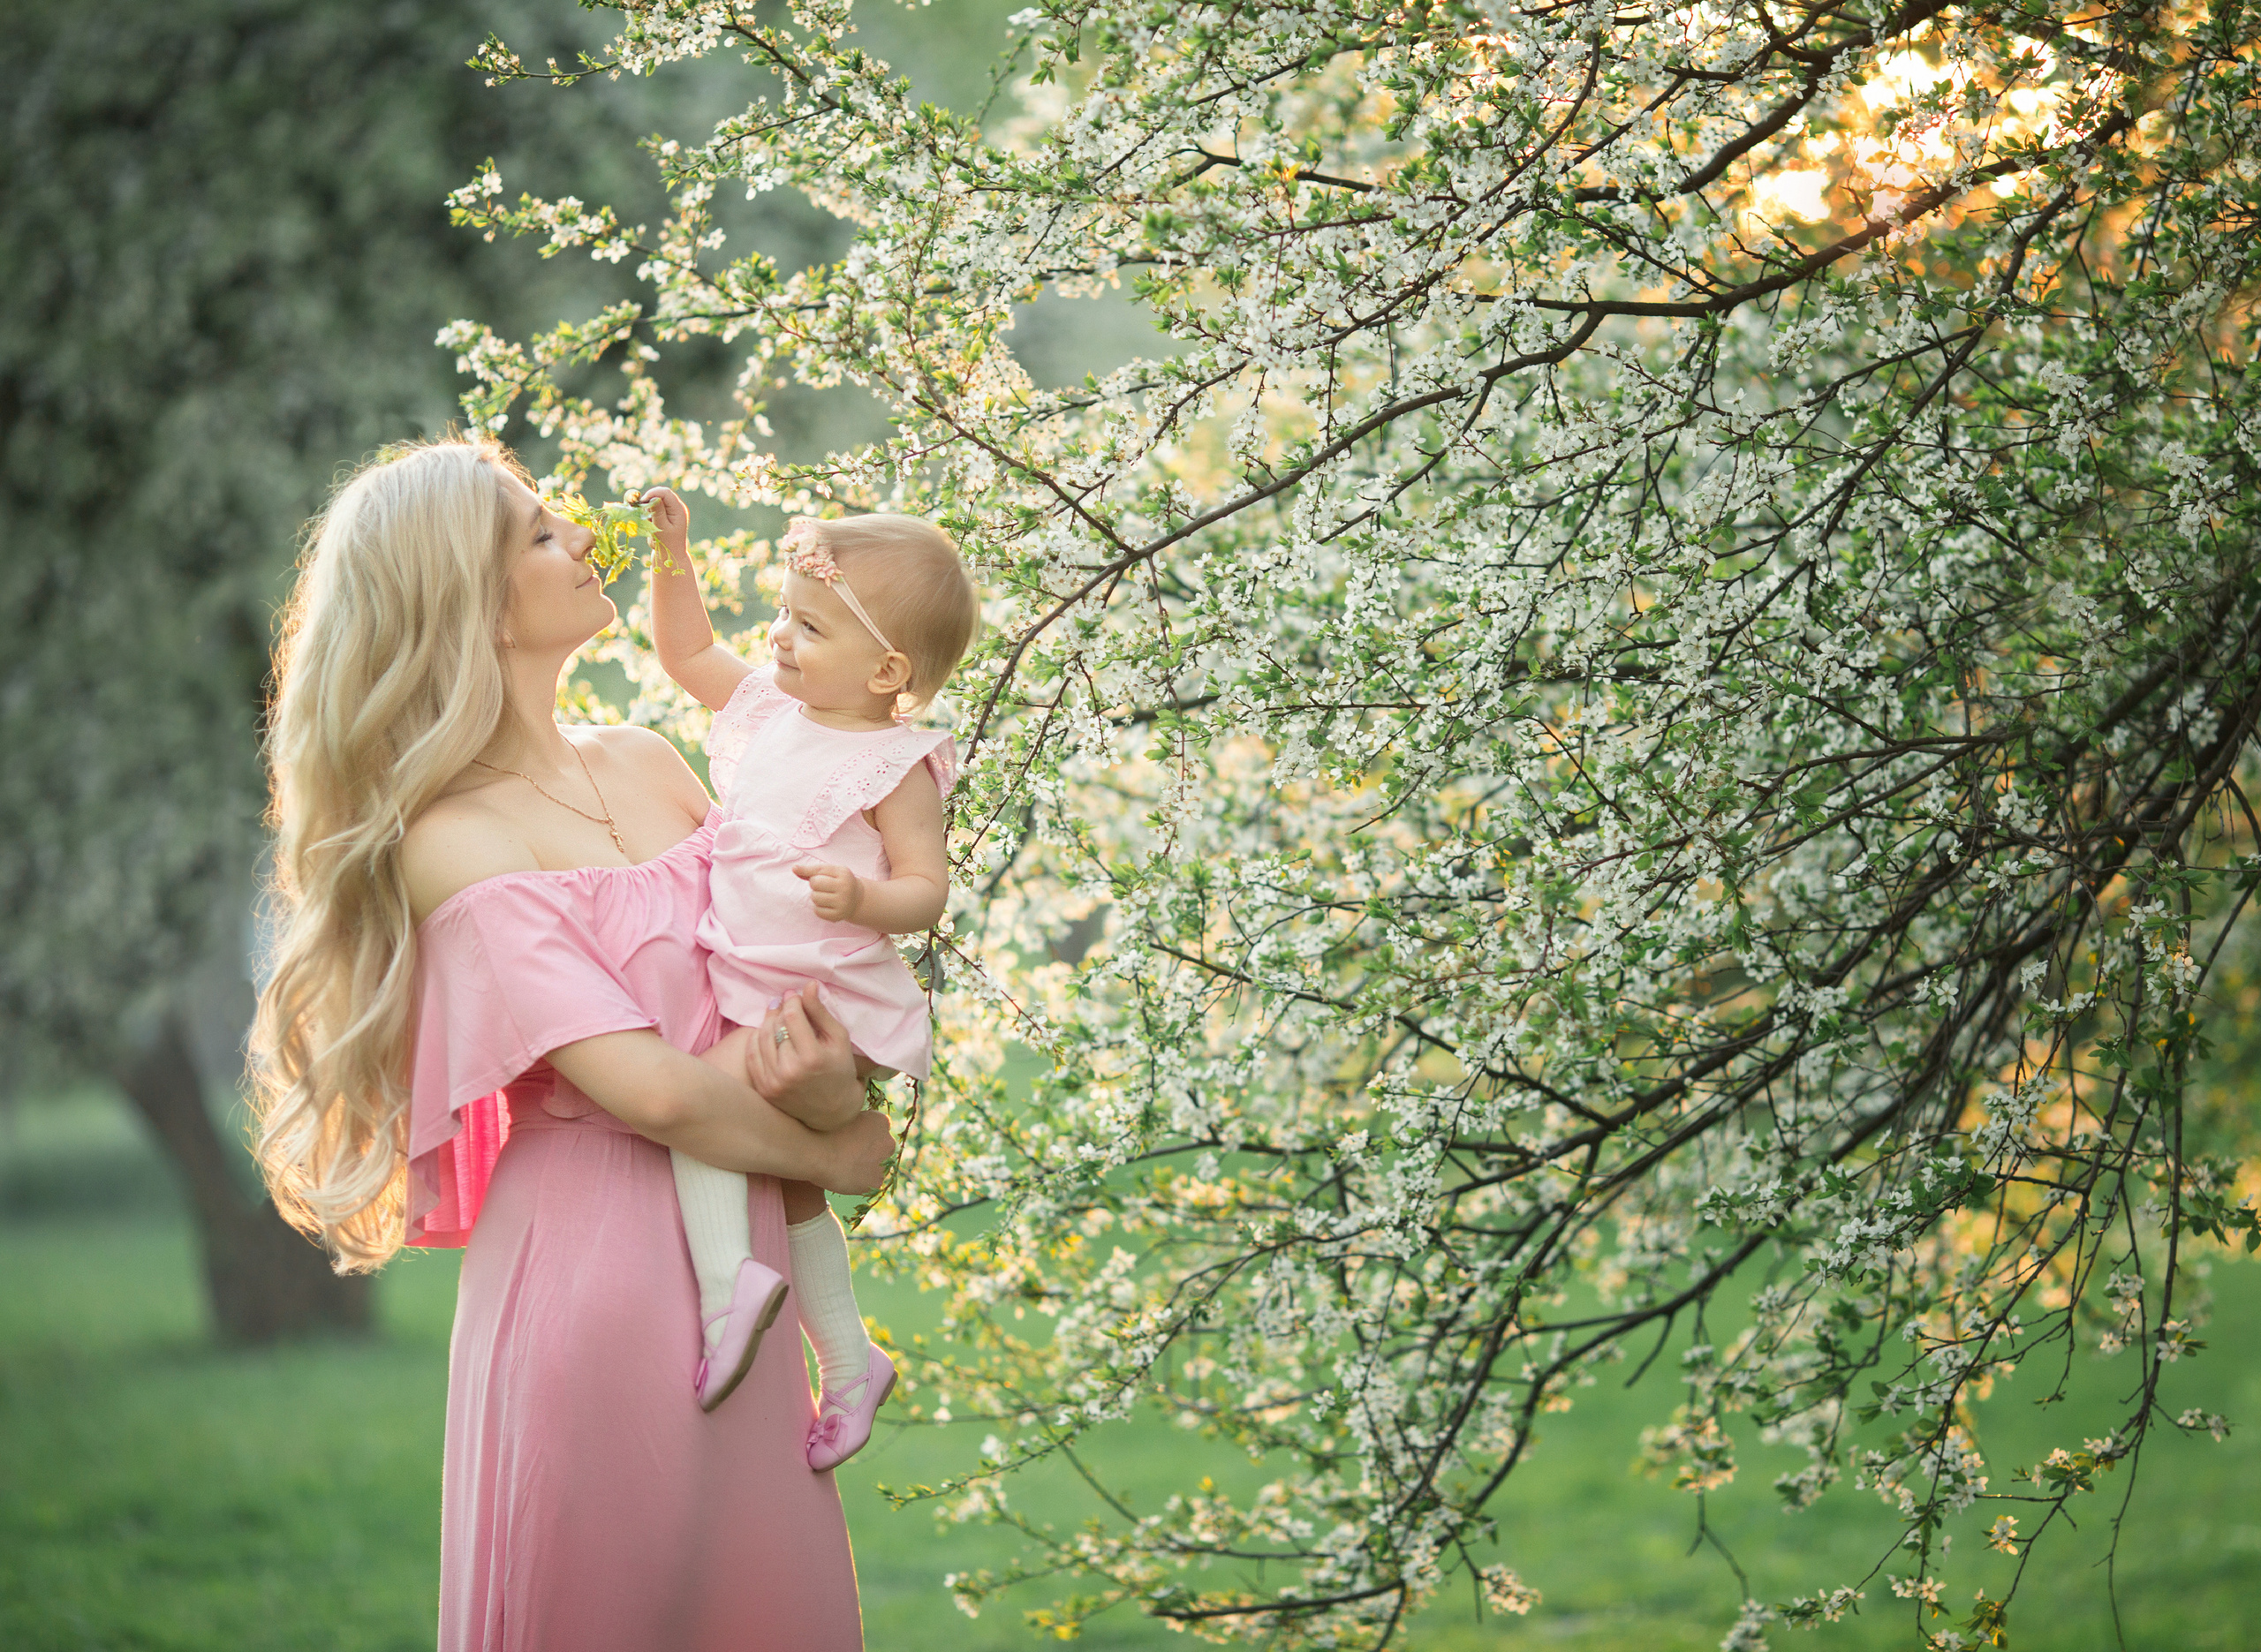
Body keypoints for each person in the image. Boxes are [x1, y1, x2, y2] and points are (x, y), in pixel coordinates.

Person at [251, 435, 891, 1651]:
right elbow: (649, 1086)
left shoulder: (648, 759)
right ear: (470, 602)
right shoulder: (453, 838)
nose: (585, 538)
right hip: (598, 1284)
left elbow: (783, 981)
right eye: (542, 532)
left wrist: (836, 1092)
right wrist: (846, 1154)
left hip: (746, 1261)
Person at [639, 490, 977, 1473]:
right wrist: (672, 555)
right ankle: (850, 1357)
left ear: (885, 670)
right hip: (753, 978)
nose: (781, 636)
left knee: (694, 1105)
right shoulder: (773, 711)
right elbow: (686, 656)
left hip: (821, 993)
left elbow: (924, 890)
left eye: (810, 623)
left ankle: (723, 1292)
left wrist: (862, 898)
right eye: (784, 612)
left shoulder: (892, 763)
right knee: (788, 1183)